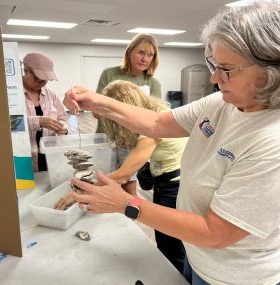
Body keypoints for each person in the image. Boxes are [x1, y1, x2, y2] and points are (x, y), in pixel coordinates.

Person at [63, 1, 280, 284]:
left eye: (226, 69)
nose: (214, 78)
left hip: (232, 276)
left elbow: (216, 233)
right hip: (198, 256)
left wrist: (126, 203)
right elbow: (157, 123)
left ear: (268, 73)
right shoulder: (220, 102)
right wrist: (99, 102)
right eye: (213, 64)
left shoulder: (271, 141)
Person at [58, 80, 188, 273]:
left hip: (175, 185)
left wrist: (79, 193)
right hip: (165, 179)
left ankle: (178, 277)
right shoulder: (154, 113)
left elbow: (124, 174)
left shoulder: (156, 123)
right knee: (164, 236)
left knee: (171, 241)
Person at [95, 33, 162, 195]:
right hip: (107, 138)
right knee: (104, 180)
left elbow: (154, 119)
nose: (145, 59)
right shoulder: (109, 74)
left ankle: (128, 220)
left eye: (150, 55)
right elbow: (96, 109)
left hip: (132, 142)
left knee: (128, 184)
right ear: (130, 52)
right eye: (141, 52)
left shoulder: (153, 83)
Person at [22, 52, 68, 172]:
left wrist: (63, 127)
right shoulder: (11, 94)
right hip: (23, 158)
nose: (42, 84)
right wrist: (37, 121)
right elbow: (7, 123)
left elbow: (62, 117)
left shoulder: (50, 93)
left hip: (49, 156)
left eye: (46, 80)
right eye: (38, 79)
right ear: (25, 70)